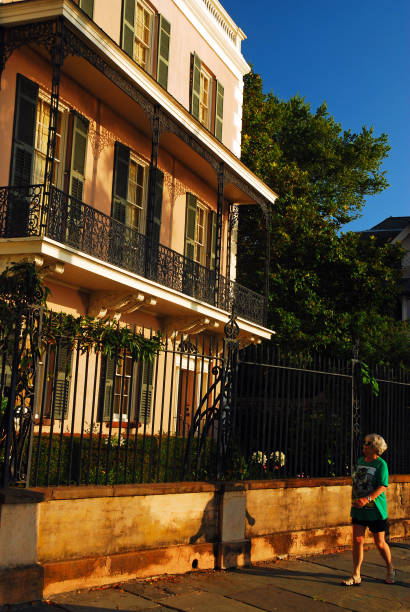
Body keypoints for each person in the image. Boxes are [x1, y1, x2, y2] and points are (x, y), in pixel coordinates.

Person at [342, 433, 395, 586]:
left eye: (368, 444)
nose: (364, 446)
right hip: (359, 508)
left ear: (376, 448)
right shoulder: (360, 461)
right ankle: (356, 575)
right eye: (365, 443)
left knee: (380, 542)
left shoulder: (381, 465)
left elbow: (383, 486)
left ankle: (390, 568)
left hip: (375, 510)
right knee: (358, 540)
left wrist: (367, 499)